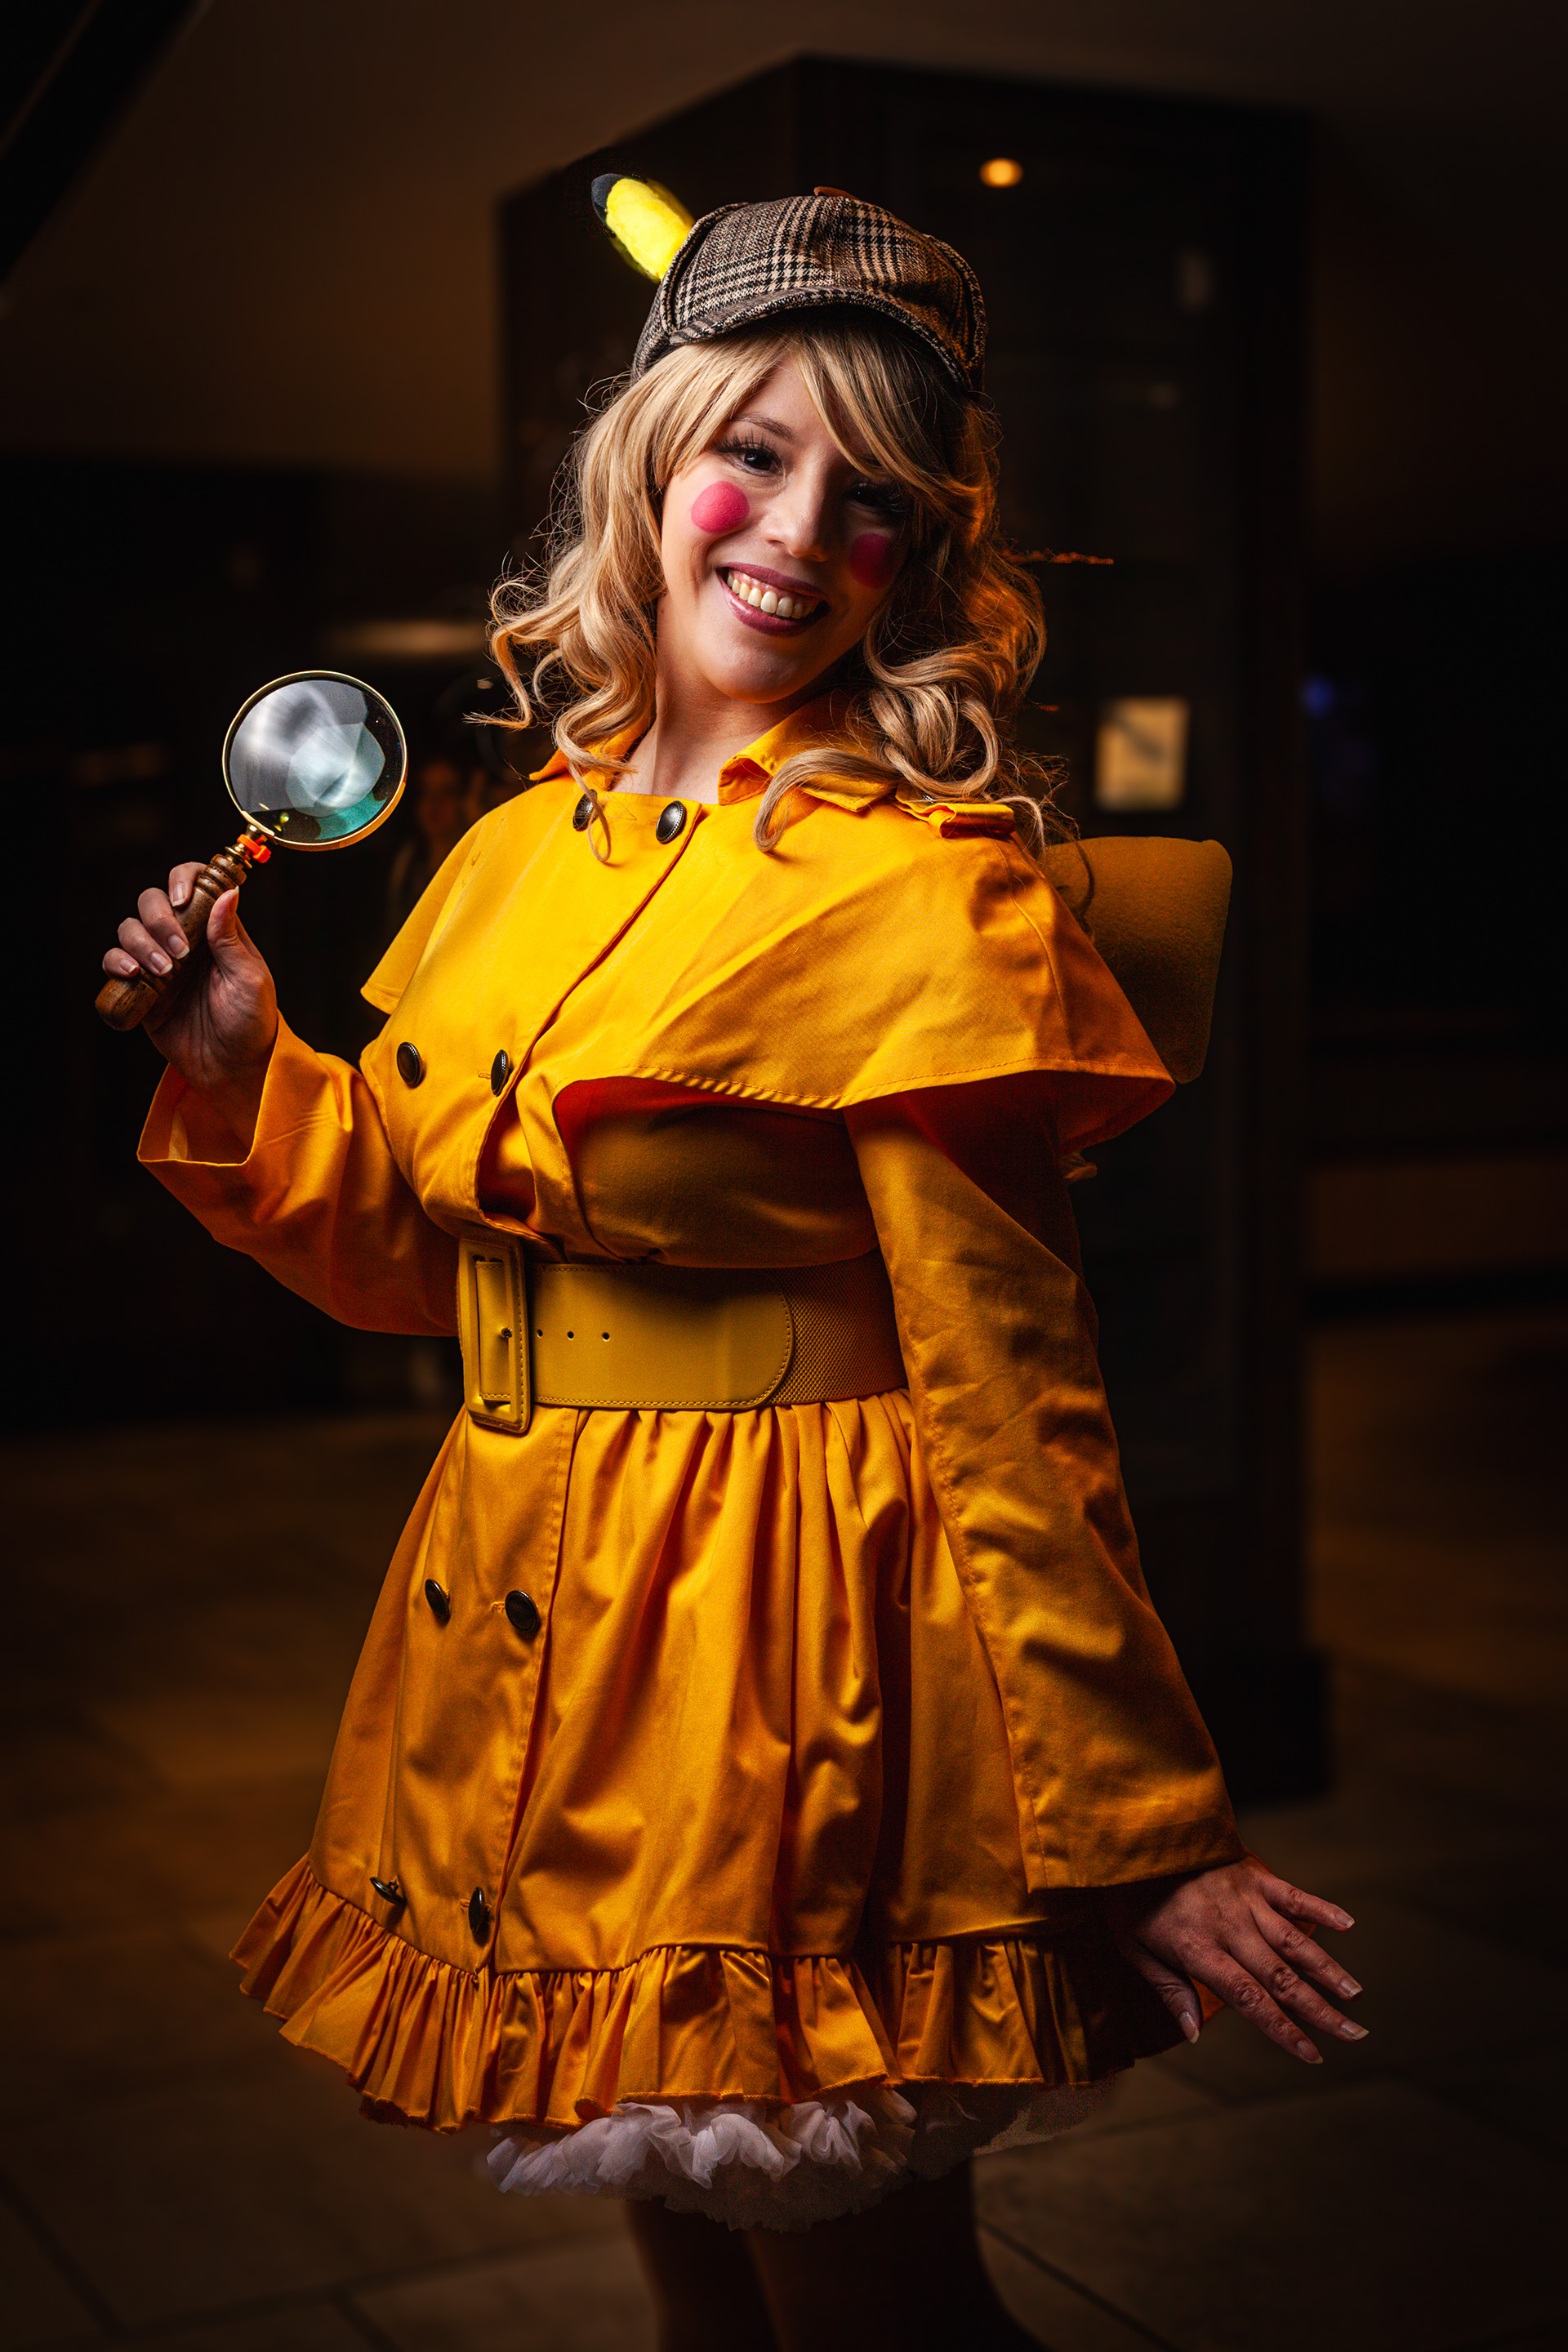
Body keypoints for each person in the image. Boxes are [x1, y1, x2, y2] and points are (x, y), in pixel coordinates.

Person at [103, 192, 1364, 2350]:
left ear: (916, 557)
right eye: (753, 455)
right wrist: (247, 1068)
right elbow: (426, 1276)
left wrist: (1145, 1821)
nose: (795, 532)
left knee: (867, 2310)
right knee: (699, 2290)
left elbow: (1017, 1390)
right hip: (532, 1627)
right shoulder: (517, 848)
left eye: (871, 500)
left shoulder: (919, 891)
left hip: (788, 1649)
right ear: (651, 463)